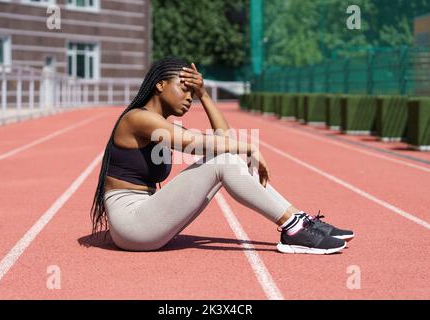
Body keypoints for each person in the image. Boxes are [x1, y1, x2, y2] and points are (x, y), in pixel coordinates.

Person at [90, 57, 354, 254]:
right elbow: (197, 144)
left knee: (226, 157)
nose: (188, 99)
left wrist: (204, 94)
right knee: (223, 159)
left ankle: (299, 222)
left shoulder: (160, 123)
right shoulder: (138, 119)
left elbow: (224, 140)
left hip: (144, 220)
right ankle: (295, 228)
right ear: (160, 85)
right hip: (133, 224)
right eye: (184, 89)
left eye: (192, 94)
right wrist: (247, 147)